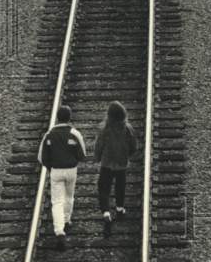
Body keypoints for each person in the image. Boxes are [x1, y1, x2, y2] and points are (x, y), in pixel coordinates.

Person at [38, 103, 87, 251]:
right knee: (69, 196)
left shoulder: (49, 134)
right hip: (71, 170)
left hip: (56, 171)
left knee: (57, 201)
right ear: (69, 118)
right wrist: (73, 161)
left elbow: (41, 157)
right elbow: (82, 154)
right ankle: (67, 219)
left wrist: (50, 167)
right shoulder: (75, 133)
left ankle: (59, 231)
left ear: (58, 118)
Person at [94, 101, 137, 236]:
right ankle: (119, 209)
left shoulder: (104, 129)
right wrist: (127, 155)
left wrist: (97, 157)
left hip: (107, 163)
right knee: (120, 187)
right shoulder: (128, 129)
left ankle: (106, 212)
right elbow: (134, 147)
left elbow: (98, 145)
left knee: (103, 188)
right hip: (121, 164)